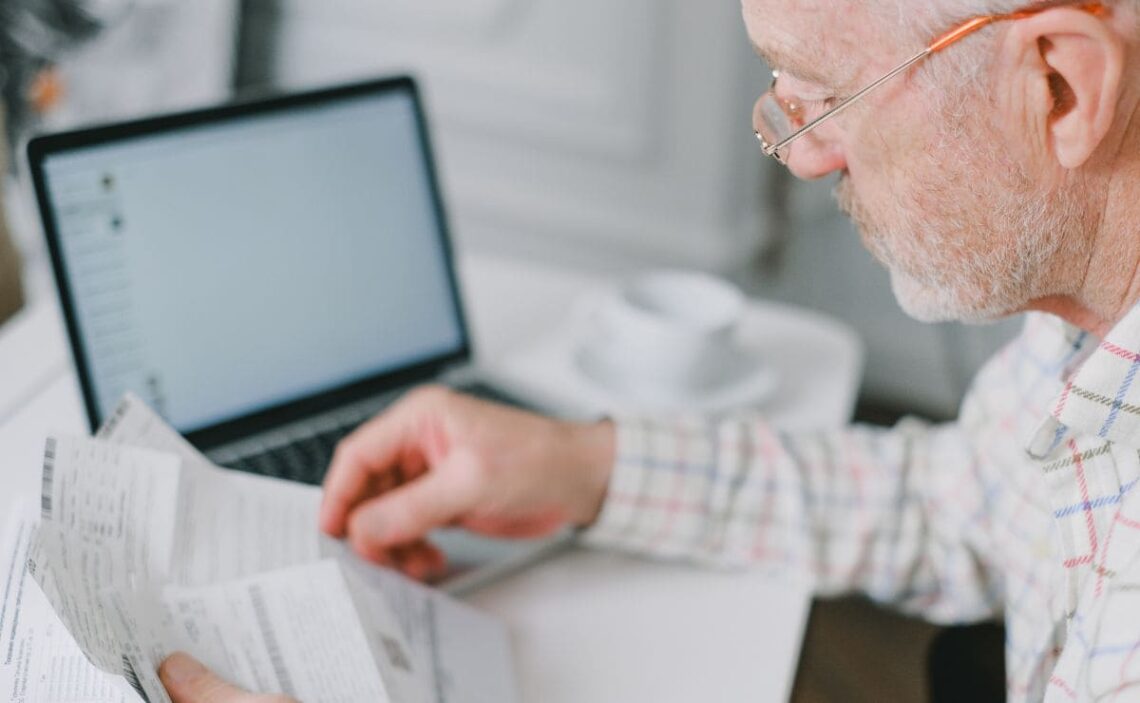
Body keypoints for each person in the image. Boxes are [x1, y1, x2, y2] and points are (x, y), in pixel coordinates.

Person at [160, 0, 1140, 700]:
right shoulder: (1083, 318)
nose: (803, 151)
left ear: (1061, 86)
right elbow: (958, 501)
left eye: (826, 91)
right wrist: (580, 465)